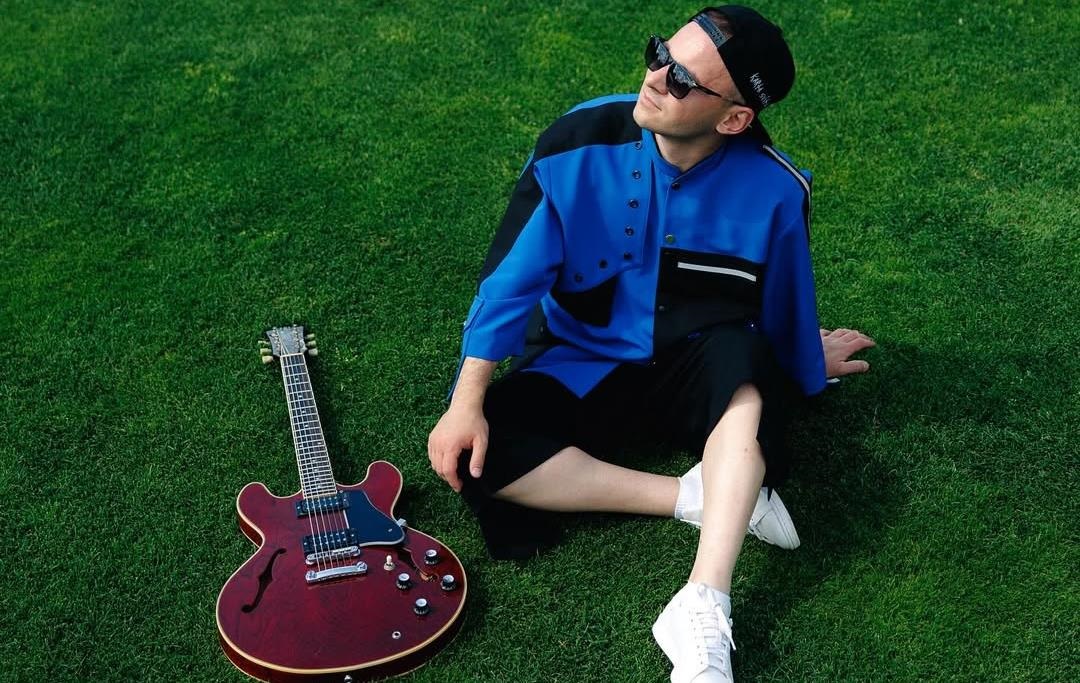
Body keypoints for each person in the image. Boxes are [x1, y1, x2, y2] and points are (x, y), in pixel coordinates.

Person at [428, 6, 875, 681]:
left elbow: (785, 303)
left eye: (684, 79)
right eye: (661, 53)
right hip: (582, 360)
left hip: (697, 361)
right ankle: (696, 495)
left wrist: (808, 363)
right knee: (478, 452)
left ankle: (703, 601)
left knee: (746, 364)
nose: (657, 77)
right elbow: (510, 283)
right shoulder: (575, 142)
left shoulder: (776, 190)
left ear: (734, 119)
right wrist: (467, 401)